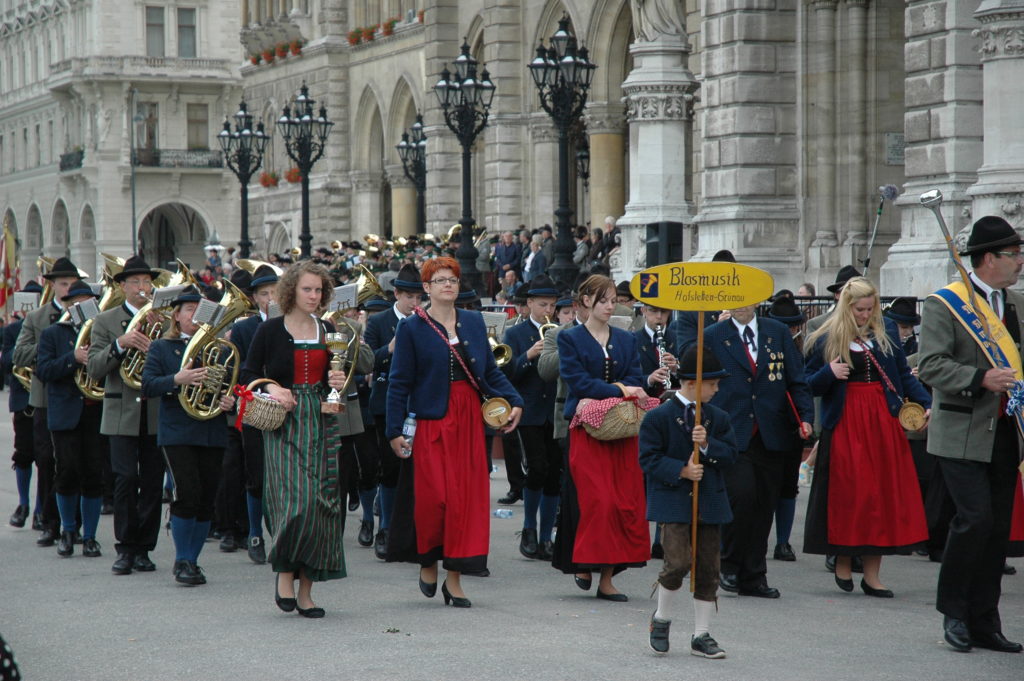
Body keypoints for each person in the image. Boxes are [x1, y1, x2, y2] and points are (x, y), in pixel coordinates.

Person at [385, 257, 523, 608]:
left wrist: (514, 399)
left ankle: (456, 579)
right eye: (440, 280)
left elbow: (489, 372)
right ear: (427, 288)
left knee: (465, 502)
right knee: (434, 499)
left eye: (453, 280)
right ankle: (428, 561)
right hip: (432, 419)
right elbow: (399, 383)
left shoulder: (474, 323)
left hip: (468, 420)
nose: (449, 285)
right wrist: (394, 429)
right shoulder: (412, 328)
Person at [917, 215, 1024, 653]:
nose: (1020, 261)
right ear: (986, 260)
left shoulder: (1014, 303)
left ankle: (985, 619)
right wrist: (980, 377)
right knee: (974, 519)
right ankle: (954, 612)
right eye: (1012, 254)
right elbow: (931, 365)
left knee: (997, 529)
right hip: (961, 429)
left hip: (1005, 430)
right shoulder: (946, 304)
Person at [803, 277, 931, 597]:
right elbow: (806, 385)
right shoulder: (827, 335)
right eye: (860, 309)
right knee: (851, 494)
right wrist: (828, 374)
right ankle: (843, 560)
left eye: (869, 309)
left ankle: (872, 574)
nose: (865, 315)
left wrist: (926, 403)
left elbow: (901, 375)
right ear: (847, 306)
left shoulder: (885, 329)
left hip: (882, 420)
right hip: (846, 420)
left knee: (881, 495)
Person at [240, 261, 349, 617]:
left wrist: (338, 382)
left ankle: (306, 590)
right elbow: (249, 373)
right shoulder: (270, 330)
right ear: (291, 291)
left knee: (321, 504)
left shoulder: (328, 329)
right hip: (285, 422)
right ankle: (285, 571)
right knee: (294, 503)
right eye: (307, 289)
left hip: (321, 420)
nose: (314, 296)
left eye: (318, 290)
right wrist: (274, 386)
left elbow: (338, 374)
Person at [703, 295, 814, 599]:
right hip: (732, 431)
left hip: (771, 431)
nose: (741, 305)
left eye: (746, 299)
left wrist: (805, 416)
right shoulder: (715, 333)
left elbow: (796, 379)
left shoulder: (775, 331)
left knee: (765, 504)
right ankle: (728, 564)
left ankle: (754, 575)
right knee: (741, 497)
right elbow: (698, 376)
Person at [553, 274, 649, 600]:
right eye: (603, 300)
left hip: (621, 429)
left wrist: (616, 391)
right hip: (587, 431)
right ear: (586, 301)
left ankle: (607, 578)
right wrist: (621, 389)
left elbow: (637, 376)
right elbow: (577, 381)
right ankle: (583, 560)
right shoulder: (570, 339)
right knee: (597, 500)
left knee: (623, 502)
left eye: (612, 300)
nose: (610, 306)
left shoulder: (626, 339)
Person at [641, 346, 737, 659]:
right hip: (674, 501)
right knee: (678, 563)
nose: (717, 389)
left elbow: (731, 455)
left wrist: (707, 444)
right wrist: (681, 469)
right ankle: (662, 618)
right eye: (712, 383)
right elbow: (648, 459)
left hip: (710, 501)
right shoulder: (658, 417)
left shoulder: (717, 418)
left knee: (709, 567)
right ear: (692, 383)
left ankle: (701, 634)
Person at [142, 286, 236, 587]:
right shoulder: (161, 347)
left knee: (207, 496)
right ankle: (183, 559)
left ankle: (193, 561)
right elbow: (148, 386)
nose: (195, 315)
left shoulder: (221, 350)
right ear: (177, 315)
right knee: (187, 493)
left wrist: (228, 400)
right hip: (177, 431)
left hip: (211, 429)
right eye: (189, 310)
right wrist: (176, 379)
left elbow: (228, 388)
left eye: (201, 310)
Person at [86, 255, 165, 575]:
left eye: (147, 282)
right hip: (121, 410)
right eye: (135, 282)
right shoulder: (105, 321)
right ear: (121, 286)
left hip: (155, 410)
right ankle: (125, 547)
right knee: (124, 479)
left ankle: (145, 548)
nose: (143, 288)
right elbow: (94, 368)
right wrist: (121, 344)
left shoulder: (162, 321)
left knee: (151, 482)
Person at [13, 257, 82, 547]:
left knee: (75, 463)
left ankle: (72, 523)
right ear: (52, 286)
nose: (68, 289)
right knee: (46, 459)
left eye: (72, 284)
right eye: (63, 283)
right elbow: (18, 356)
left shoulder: (86, 315)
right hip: (45, 398)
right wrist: (51, 345)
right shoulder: (37, 318)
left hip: (77, 395)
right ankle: (47, 519)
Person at [36, 280, 104, 558]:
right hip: (65, 413)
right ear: (66, 305)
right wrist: (73, 357)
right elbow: (44, 371)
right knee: (66, 472)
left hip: (94, 411)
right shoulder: (54, 333)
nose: (81, 308)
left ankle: (90, 536)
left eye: (88, 303)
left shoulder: (101, 331)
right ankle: (67, 529)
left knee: (93, 475)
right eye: (76, 303)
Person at [364, 263, 422, 559]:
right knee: (388, 469)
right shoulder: (379, 322)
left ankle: (410, 529)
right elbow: (367, 361)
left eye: (418, 297)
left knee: (413, 470)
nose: (414, 303)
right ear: (396, 294)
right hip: (386, 403)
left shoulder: (426, 321)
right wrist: (390, 348)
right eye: (409, 297)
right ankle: (385, 528)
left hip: (418, 405)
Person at [223, 264, 279, 564]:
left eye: (276, 292)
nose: (271, 298)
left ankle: (282, 534)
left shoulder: (300, 324)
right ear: (255, 299)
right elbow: (237, 370)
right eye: (264, 294)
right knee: (256, 474)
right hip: (256, 406)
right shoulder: (245, 328)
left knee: (286, 475)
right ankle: (255, 532)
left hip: (290, 406)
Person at [502, 275, 561, 560]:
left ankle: (547, 535)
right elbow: (506, 373)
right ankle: (529, 529)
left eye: (551, 305)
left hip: (556, 412)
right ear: (529, 304)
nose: (547, 310)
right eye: (542, 304)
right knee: (537, 467)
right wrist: (528, 355)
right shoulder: (515, 334)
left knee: (554, 475)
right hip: (530, 410)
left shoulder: (562, 332)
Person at [764, 295, 808, 562]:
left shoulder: (804, 348)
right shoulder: (765, 344)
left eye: (793, 326)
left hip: (791, 424)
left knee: (788, 486)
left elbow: (805, 382)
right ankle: (762, 538)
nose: (790, 331)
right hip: (768, 421)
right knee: (766, 487)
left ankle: (783, 541)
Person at [3, 281, 42, 529]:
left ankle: (40, 508)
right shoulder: (12, 329)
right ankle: (23, 503)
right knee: (24, 453)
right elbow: (6, 362)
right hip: (23, 399)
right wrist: (25, 344)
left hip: (46, 398)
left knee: (47, 459)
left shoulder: (52, 328)